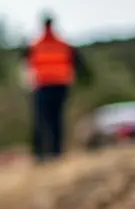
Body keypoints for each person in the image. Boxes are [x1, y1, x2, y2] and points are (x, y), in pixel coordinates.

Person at [20, 14, 87, 162]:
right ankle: (56, 153)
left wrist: (28, 82)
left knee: (42, 120)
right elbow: (80, 64)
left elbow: (25, 63)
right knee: (56, 119)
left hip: (43, 85)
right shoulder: (63, 44)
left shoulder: (36, 45)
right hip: (60, 85)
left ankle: (40, 154)